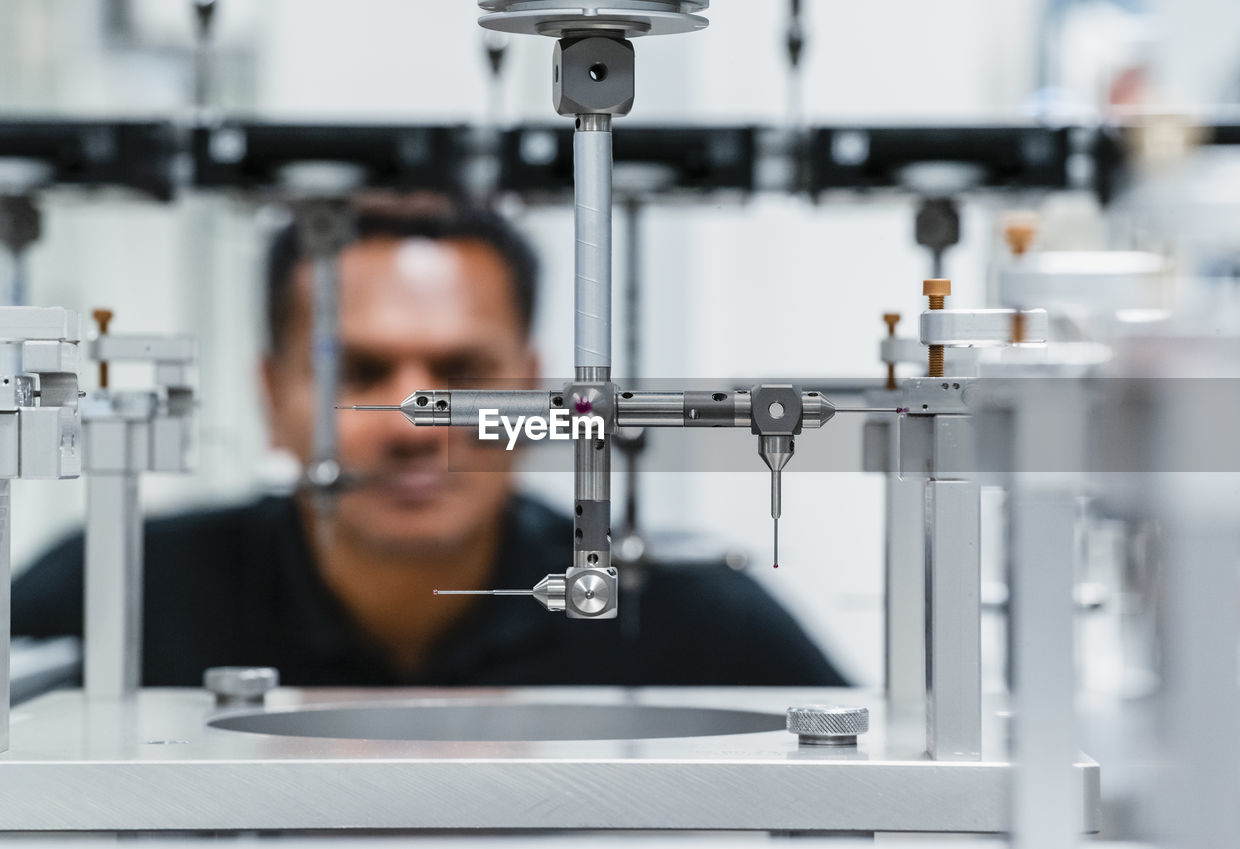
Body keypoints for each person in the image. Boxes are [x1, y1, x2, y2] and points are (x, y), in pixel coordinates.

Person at [13, 203, 844, 688]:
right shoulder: (102, 596)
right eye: (359, 371)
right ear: (272, 395)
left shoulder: (705, 629)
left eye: (462, 371)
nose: (417, 422)